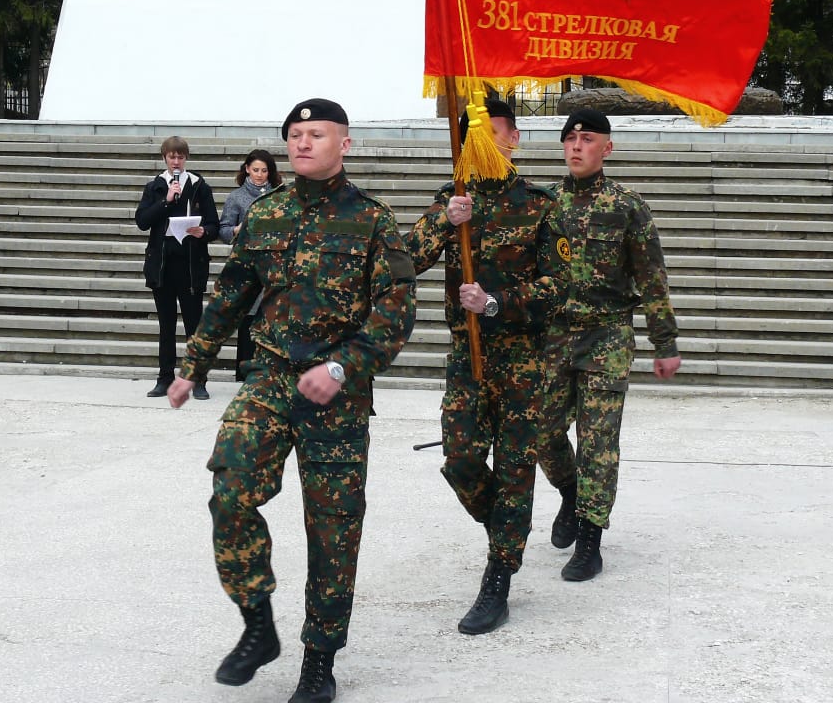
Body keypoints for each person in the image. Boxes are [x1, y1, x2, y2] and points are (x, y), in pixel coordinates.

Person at [168, 99, 416, 703]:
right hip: (271, 379)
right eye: (295, 135)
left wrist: (341, 367)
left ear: (345, 144)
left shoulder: (375, 222)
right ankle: (258, 624)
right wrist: (191, 365)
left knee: (332, 529)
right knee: (229, 490)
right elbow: (231, 294)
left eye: (317, 134)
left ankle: (319, 659)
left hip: (337, 394)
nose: (303, 144)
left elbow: (395, 316)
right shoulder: (267, 215)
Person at [404, 98, 556, 635]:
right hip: (466, 356)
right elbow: (403, 260)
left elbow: (561, 287)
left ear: (513, 139)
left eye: (491, 135)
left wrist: (495, 303)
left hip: (521, 357)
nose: (481, 146)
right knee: (460, 459)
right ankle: (509, 528)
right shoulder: (454, 198)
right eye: (473, 137)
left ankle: (499, 573)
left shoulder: (540, 205)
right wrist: (445, 223)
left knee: (515, 466)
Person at [536, 107, 681, 582]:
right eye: (570, 138)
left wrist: (665, 343)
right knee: (543, 433)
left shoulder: (626, 205)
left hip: (607, 335)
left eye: (588, 138)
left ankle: (591, 540)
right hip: (554, 335)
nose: (577, 146)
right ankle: (571, 494)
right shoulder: (545, 204)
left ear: (607, 148)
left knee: (599, 442)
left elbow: (651, 277)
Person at [135, 136, 219, 400]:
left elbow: (214, 224)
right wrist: (166, 201)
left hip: (191, 264)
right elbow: (142, 221)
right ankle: (165, 378)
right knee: (166, 324)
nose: (176, 161)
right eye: (172, 157)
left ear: (186, 158)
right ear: (165, 158)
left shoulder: (198, 185)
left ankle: (198, 380)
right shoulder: (156, 186)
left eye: (180, 157)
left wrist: (203, 230)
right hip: (162, 264)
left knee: (194, 325)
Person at [218, 148, 284, 381]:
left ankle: (271, 372)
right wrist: (236, 230)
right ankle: (245, 374)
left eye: (264, 170)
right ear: (247, 169)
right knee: (248, 317)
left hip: (274, 265)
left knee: (271, 317)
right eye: (255, 170)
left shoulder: (279, 195)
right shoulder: (236, 197)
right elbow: (223, 230)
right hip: (247, 265)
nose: (259, 175)